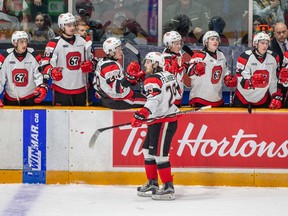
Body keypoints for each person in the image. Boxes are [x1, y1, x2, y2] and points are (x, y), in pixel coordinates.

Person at [130, 52, 180, 201]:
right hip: (157, 119)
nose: (145, 65)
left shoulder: (152, 79)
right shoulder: (169, 74)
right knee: (147, 151)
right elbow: (176, 95)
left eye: (148, 62)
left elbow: (153, 101)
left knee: (160, 155)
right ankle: (152, 183)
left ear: (155, 64)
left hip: (164, 121)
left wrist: (142, 114)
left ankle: (168, 187)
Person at [41, 12, 94, 106]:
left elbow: (93, 60)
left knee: (80, 119)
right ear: (62, 26)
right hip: (61, 89)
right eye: (68, 25)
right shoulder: (53, 43)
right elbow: (44, 64)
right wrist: (52, 71)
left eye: (73, 24)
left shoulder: (84, 41)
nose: (72, 27)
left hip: (81, 88)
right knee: (60, 119)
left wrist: (91, 65)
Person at [93, 36, 146, 109]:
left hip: (107, 98)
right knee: (150, 102)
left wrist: (134, 78)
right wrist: (129, 78)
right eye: (118, 50)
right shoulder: (110, 67)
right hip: (118, 100)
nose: (121, 51)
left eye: (120, 48)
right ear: (110, 52)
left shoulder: (102, 61)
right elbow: (117, 88)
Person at [186, 30, 237, 107]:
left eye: (217, 39)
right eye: (212, 39)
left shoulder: (221, 55)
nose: (215, 41)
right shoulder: (199, 55)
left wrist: (227, 77)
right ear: (206, 42)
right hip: (200, 98)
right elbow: (190, 73)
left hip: (217, 98)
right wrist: (195, 70)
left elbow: (225, 70)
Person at [234, 32, 282, 109]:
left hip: (262, 98)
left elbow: (273, 80)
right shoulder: (244, 57)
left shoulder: (274, 57)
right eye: (262, 43)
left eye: (267, 43)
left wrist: (275, 96)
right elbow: (241, 80)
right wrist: (251, 81)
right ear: (255, 44)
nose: (265, 45)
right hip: (242, 98)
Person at [0, 31, 47, 107]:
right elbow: (0, 80)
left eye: (26, 41)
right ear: (15, 43)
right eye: (21, 42)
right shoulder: (5, 57)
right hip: (11, 99)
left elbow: (39, 75)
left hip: (31, 98)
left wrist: (41, 86)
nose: (24, 44)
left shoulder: (34, 55)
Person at [162, 30, 185, 106]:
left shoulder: (177, 54)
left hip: (178, 97)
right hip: (169, 100)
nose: (179, 46)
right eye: (176, 44)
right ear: (168, 45)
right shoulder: (165, 59)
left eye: (180, 43)